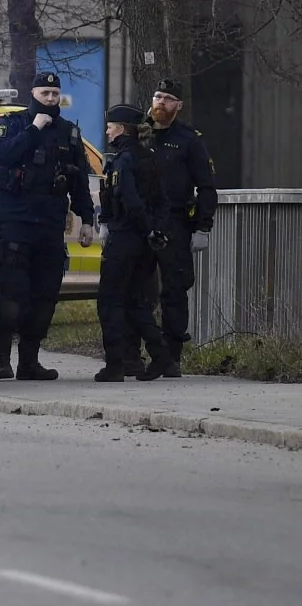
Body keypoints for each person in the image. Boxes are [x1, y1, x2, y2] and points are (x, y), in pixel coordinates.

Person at [0, 71, 97, 381]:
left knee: (44, 295)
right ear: (33, 94)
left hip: (49, 224)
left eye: (54, 94)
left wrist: (87, 219)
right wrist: (34, 131)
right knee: (12, 292)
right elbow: (4, 154)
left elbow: (78, 181)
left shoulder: (69, 133)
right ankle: (1, 360)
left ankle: (29, 362)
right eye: (44, 93)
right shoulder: (15, 123)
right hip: (15, 222)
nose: (50, 99)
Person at [93, 104, 170, 382]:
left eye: (110, 126)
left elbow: (129, 199)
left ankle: (115, 365)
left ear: (121, 129)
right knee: (137, 302)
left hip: (126, 237)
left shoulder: (123, 160)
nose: (107, 131)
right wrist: (155, 231)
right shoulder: (149, 157)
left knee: (110, 302)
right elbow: (161, 200)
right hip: (145, 242)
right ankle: (161, 357)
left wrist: (141, 227)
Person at [146, 77, 217, 377]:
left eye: (167, 99)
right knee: (134, 289)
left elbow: (207, 187)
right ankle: (130, 355)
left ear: (178, 105)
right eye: (158, 96)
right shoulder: (139, 134)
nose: (161, 102)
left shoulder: (189, 140)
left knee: (174, 291)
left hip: (175, 222)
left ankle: (170, 358)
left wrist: (203, 227)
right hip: (141, 221)